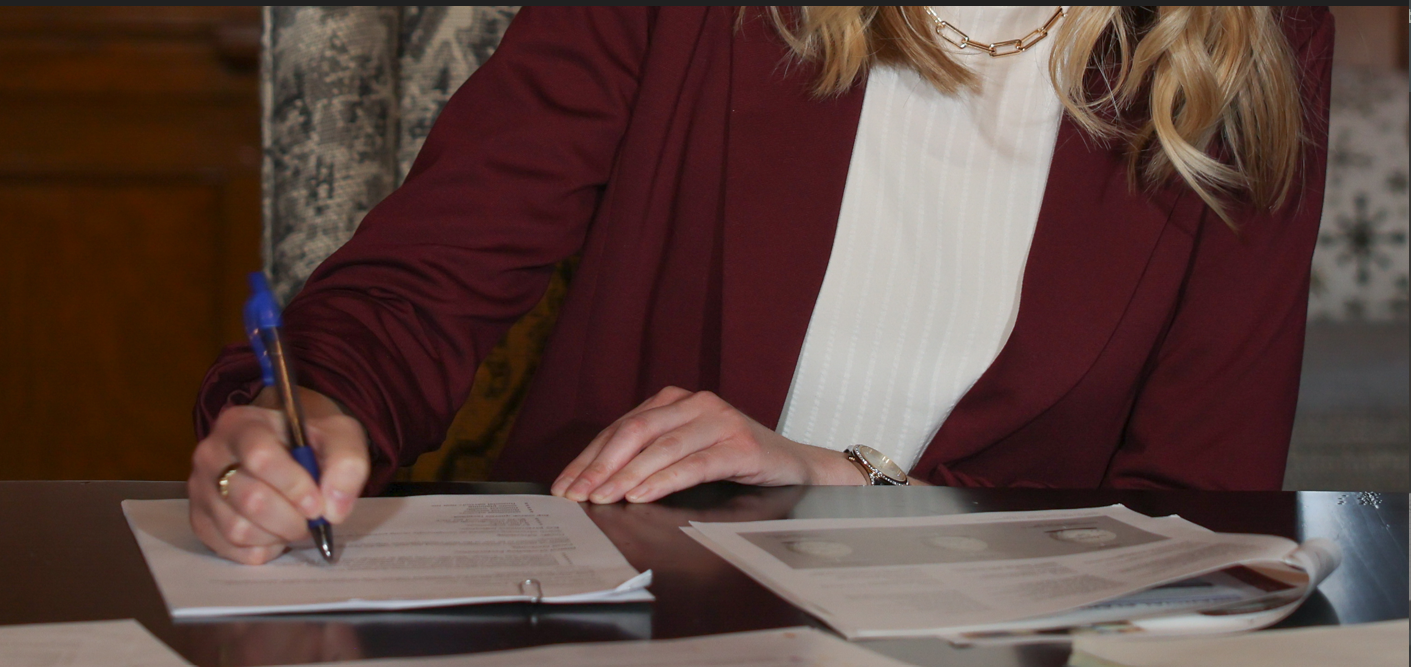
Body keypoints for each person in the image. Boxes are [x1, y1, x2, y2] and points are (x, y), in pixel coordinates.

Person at [187, 6, 1334, 564]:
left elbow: (1201, 514)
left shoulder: (1252, 39)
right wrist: (312, 410)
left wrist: (853, 482)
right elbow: (423, 284)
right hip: (640, 626)